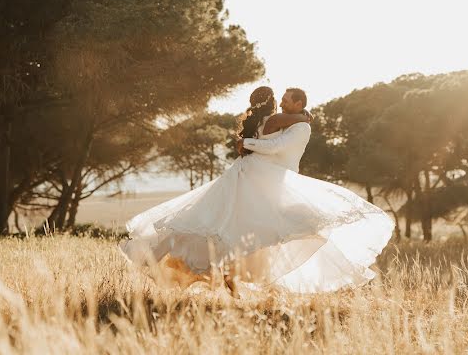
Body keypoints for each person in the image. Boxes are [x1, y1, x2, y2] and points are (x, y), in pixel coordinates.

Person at [119, 86, 394, 294]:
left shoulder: (271, 120)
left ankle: (216, 275)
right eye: (281, 99)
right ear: (274, 103)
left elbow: (274, 142)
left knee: (214, 223)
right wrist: (299, 118)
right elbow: (273, 146)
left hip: (254, 175)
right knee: (229, 227)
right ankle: (225, 277)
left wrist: (256, 138)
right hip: (257, 178)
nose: (283, 103)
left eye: (288, 100)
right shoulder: (276, 121)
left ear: (296, 102)